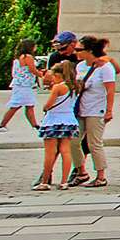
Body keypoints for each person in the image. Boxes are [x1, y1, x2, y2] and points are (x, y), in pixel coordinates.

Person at [71, 34, 117, 189]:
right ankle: (81, 171)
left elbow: (110, 90)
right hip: (80, 109)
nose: (76, 52)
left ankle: (101, 176)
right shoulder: (79, 66)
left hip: (97, 109)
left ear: (89, 51)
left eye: (79, 49)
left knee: (94, 143)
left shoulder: (105, 67)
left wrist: (109, 111)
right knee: (73, 141)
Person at [31, 54, 80, 190]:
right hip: (69, 120)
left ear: (59, 74)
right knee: (66, 151)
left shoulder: (58, 87)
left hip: (53, 121)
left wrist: (44, 107)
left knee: (50, 153)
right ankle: (64, 181)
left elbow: (48, 105)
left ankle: (45, 181)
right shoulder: (75, 86)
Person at [0, 41, 37, 134]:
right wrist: (42, 75)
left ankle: (34, 125)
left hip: (22, 84)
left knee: (29, 105)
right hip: (23, 85)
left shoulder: (18, 58)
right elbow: (32, 70)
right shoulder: (27, 57)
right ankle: (2, 125)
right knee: (16, 105)